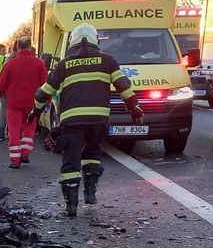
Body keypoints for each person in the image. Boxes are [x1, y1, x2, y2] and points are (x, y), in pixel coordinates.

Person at [31, 23, 144, 217]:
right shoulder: (107, 60)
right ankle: (90, 193)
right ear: (96, 41)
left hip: (72, 120)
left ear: (72, 42)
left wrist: (35, 110)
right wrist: (134, 107)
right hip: (98, 119)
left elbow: (45, 92)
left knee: (71, 160)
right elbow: (122, 84)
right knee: (92, 152)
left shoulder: (64, 64)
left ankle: (71, 205)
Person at [0, 36, 47, 168]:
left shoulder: (10, 64)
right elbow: (45, 85)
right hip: (32, 103)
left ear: (17, 47)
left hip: (14, 104)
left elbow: (0, 85)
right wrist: (46, 101)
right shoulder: (39, 64)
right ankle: (25, 153)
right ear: (29, 47)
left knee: (14, 131)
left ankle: (15, 161)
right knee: (29, 129)